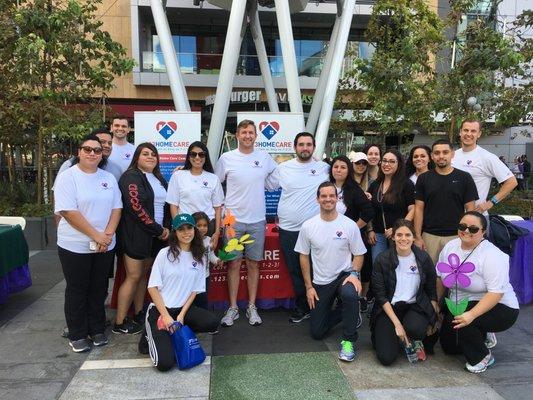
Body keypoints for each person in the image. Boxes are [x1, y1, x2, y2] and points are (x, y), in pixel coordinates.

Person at [54, 134, 122, 352]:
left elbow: (116, 208)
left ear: (102, 155)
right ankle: (77, 333)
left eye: (97, 150)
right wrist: (96, 235)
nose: (92, 153)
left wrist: (107, 235)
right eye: (87, 149)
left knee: (99, 287)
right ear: (79, 152)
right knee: (77, 289)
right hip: (75, 245)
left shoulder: (108, 178)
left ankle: (97, 329)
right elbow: (68, 211)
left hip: (105, 244)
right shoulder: (68, 177)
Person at [437, 211, 519, 373]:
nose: (466, 231)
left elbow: (496, 293)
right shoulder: (450, 246)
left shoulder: (493, 255)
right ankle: (481, 332)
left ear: (483, 232)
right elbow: (440, 277)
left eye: (473, 229)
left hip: (499, 306)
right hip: (461, 302)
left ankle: (482, 357)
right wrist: (437, 304)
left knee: (464, 319)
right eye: (462, 226)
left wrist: (471, 315)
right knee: (450, 347)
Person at [294, 182, 367, 362]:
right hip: (320, 281)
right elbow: (303, 256)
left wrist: (354, 273)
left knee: (350, 294)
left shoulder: (349, 225)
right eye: (324, 196)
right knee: (317, 332)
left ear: (337, 198)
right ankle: (349, 312)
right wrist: (309, 287)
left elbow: (359, 254)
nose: (328, 199)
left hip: (344, 275)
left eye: (331, 196)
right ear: (318, 199)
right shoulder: (308, 226)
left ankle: (349, 341)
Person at [215, 120, 277, 326]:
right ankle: (232, 308)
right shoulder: (227, 158)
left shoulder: (264, 158)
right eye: (244, 132)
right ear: (237, 135)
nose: (248, 136)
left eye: (251, 132)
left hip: (258, 221)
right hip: (233, 222)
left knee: (253, 264)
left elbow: (278, 176)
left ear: (256, 136)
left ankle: (251, 307)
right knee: (232, 264)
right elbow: (215, 185)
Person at [267, 132, 330, 323]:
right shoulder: (283, 168)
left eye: (309, 144)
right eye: (301, 144)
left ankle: (321, 307)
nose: (305, 148)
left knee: (318, 269)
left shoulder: (324, 168)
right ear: (295, 147)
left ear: (314, 147)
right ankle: (303, 306)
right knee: (296, 271)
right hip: (289, 229)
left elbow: (346, 178)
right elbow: (264, 184)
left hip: (317, 229)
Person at [143, 213, 219, 372]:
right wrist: (165, 316)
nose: (186, 233)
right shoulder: (165, 254)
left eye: (189, 228)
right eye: (181, 229)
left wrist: (181, 315)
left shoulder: (200, 257)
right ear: (175, 233)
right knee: (165, 364)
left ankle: (171, 334)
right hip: (160, 310)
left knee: (211, 322)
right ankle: (149, 336)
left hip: (182, 309)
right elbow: (152, 287)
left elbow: (194, 290)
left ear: (194, 230)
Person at [114, 143, 170, 334]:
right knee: (134, 276)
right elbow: (136, 207)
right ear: (136, 157)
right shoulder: (131, 176)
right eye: (145, 154)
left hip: (155, 237)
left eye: (153, 154)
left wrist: (164, 230)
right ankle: (120, 322)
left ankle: (139, 313)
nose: (150, 157)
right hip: (136, 235)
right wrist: (157, 229)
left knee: (143, 276)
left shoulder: (158, 178)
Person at [370, 219, 437, 366]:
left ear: (413, 237)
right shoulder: (382, 259)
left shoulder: (423, 258)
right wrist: (397, 324)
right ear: (393, 237)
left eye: (408, 235)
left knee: (415, 327)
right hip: (388, 309)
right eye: (399, 235)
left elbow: (431, 290)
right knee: (386, 358)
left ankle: (413, 339)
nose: (403, 239)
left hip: (414, 306)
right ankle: (398, 335)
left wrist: (433, 318)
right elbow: (380, 295)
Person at [414, 139, 479, 264]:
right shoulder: (423, 179)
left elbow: (470, 211)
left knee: (455, 277)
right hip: (429, 236)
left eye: (445, 152)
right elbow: (419, 209)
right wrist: (418, 237)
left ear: (452, 154)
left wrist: (469, 235)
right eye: (437, 153)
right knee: (429, 276)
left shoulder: (464, 178)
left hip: (457, 236)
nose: (441, 156)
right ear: (432, 156)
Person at [330, 155, 375, 312]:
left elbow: (369, 211)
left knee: (349, 271)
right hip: (328, 239)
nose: (339, 170)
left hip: (348, 240)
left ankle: (352, 303)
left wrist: (353, 228)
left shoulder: (354, 189)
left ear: (348, 170)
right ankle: (337, 300)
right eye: (336, 167)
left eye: (343, 167)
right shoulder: (326, 187)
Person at [452, 119, 517, 221]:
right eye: (465, 130)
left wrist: (490, 203)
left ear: (479, 134)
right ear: (460, 132)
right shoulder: (453, 155)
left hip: (476, 219)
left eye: (473, 131)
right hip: (452, 216)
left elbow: (512, 182)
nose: (468, 134)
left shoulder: (487, 157)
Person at [166, 141, 224, 249]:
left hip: (207, 228)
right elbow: (173, 205)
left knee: (205, 261)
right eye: (193, 154)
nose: (197, 157)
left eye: (201, 154)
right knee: (185, 260)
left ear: (205, 157)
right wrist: (178, 227)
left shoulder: (213, 178)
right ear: (189, 157)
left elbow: (218, 208)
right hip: (185, 226)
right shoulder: (178, 176)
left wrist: (216, 232)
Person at [367, 149, 415, 262]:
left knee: (397, 265)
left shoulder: (406, 184)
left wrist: (398, 228)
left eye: (392, 161)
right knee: (378, 265)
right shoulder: (375, 184)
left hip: (399, 235)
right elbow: (369, 209)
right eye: (384, 161)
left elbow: (413, 209)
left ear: (399, 165)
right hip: (378, 234)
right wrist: (370, 230)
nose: (387, 164)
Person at [191, 211, 221, 310]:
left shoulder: (209, 240)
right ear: (192, 226)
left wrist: (217, 260)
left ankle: (202, 320)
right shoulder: (188, 241)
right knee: (189, 301)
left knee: (202, 301)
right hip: (191, 278)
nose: (202, 228)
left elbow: (211, 255)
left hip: (205, 277)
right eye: (198, 225)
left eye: (205, 225)